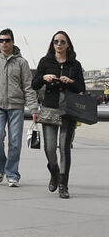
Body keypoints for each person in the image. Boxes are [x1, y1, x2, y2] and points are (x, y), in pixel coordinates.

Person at [0, 28, 37, 187]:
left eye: (7, 40)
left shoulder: (22, 63)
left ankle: (12, 174)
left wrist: (33, 109)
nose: (4, 43)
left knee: (15, 142)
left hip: (16, 106)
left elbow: (28, 88)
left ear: (13, 42)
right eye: (1, 40)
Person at [30, 31, 86, 199]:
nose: (59, 44)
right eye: (56, 41)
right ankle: (54, 172)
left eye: (62, 41)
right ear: (52, 44)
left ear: (68, 44)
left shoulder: (74, 65)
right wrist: (44, 77)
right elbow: (34, 84)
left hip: (68, 111)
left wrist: (71, 82)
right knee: (49, 147)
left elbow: (81, 88)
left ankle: (63, 184)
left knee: (64, 148)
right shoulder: (45, 61)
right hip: (50, 108)